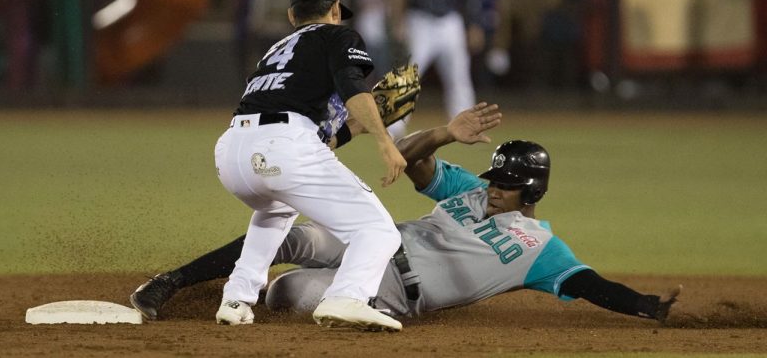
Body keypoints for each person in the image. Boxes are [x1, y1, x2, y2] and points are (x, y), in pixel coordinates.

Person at [131, 103, 681, 323]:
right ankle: (172, 282)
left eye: (508, 186)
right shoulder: (468, 189)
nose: (494, 190)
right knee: (293, 236)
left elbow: (591, 285)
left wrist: (647, 305)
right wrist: (443, 133)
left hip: (395, 296)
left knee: (289, 294)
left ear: (532, 190)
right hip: (376, 246)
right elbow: (413, 160)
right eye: (494, 179)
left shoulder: (542, 250)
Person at [203, 0, 407, 331]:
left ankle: (236, 298)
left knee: (277, 207)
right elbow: (352, 86)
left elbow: (309, 124)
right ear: (334, 10)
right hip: (284, 145)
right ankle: (348, 296)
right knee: (378, 231)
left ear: (292, 16)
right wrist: (384, 140)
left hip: (232, 152)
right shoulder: (339, 34)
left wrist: (343, 133)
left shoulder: (276, 50)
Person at [385, 0, 482, 137]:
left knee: (459, 76)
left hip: (450, 21)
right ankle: (393, 126)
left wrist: (474, 23)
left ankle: (465, 124)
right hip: (419, 20)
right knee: (407, 74)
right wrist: (398, 20)